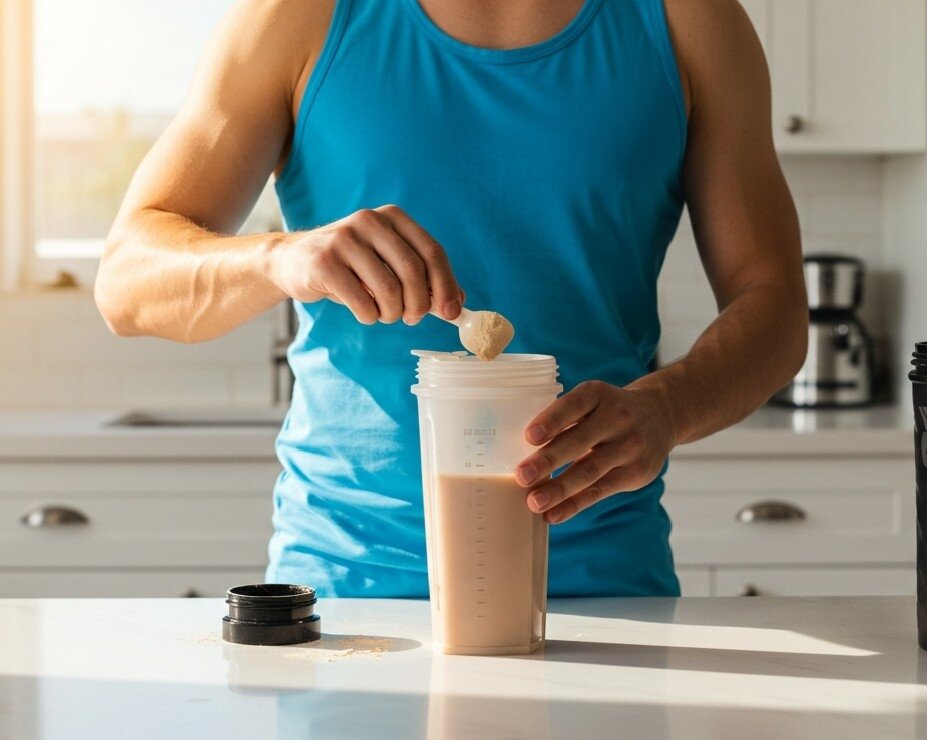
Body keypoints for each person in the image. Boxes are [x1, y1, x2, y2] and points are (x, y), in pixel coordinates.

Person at [96, 0, 807, 597]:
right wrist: (281, 257)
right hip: (347, 589)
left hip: (603, 584)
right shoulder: (298, 15)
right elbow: (127, 280)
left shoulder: (690, 20)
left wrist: (668, 407)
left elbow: (773, 302)